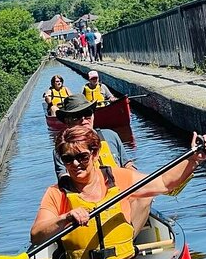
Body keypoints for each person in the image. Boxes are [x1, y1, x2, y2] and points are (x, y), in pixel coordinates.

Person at [30, 126, 206, 259]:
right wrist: (65, 218)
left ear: (95, 154)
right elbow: (37, 234)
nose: (76, 164)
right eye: (68, 159)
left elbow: (164, 183)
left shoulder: (119, 178)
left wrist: (193, 160)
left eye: (82, 157)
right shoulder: (56, 192)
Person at [53, 94, 150, 236]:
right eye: (77, 116)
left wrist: (139, 180)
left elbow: (127, 164)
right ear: (67, 122)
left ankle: (128, 238)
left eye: (87, 114)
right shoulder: (63, 149)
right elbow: (65, 181)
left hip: (120, 195)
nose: (84, 119)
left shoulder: (110, 135)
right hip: (88, 203)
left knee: (145, 195)